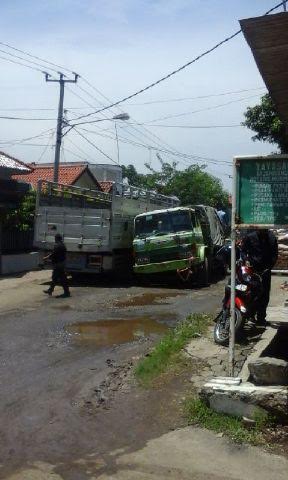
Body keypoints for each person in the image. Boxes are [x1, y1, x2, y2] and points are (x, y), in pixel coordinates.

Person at [241, 229, 278, 325]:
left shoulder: (271, 237)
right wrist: (246, 260)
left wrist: (269, 267)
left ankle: (261, 318)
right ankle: (251, 315)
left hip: (265, 270)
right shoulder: (250, 237)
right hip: (253, 270)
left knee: (265, 294)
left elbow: (274, 254)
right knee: (252, 293)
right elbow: (243, 251)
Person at [43, 233, 71, 298]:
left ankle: (66, 292)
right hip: (62, 263)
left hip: (58, 264)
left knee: (59, 278)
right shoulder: (63, 245)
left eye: (55, 238)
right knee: (59, 278)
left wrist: (46, 257)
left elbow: (53, 254)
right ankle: (51, 290)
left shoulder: (57, 245)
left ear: (56, 239)